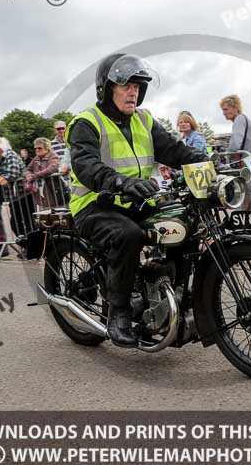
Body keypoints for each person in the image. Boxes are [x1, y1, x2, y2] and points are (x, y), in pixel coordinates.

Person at [66, 53, 208, 347]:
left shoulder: (144, 120)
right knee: (128, 236)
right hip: (95, 205)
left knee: (184, 222)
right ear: (106, 89)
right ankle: (118, 313)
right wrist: (121, 182)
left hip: (137, 201)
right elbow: (86, 166)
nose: (133, 91)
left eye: (138, 86)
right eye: (126, 85)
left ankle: (179, 295)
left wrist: (205, 162)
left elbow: (174, 151)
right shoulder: (86, 122)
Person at [221, 94, 251, 210]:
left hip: (246, 167)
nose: (223, 112)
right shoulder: (244, 118)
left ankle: (246, 227)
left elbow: (235, 145)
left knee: (242, 204)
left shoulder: (239, 119)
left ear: (235, 107)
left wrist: (226, 155)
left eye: (226, 109)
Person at [25, 138, 62, 208]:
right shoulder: (36, 158)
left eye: (39, 148)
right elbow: (27, 169)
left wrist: (35, 175)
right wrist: (28, 174)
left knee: (58, 213)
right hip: (39, 191)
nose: (37, 150)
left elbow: (52, 169)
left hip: (53, 189)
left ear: (47, 147)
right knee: (44, 214)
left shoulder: (53, 156)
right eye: (35, 148)